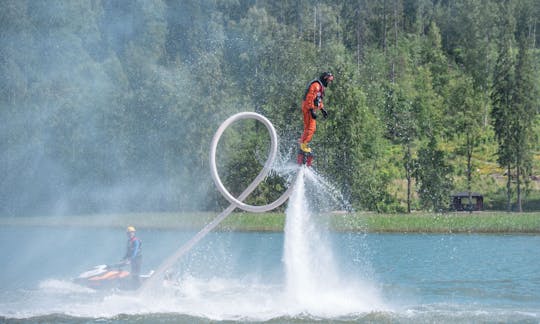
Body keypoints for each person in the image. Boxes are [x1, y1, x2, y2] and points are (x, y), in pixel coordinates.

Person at [299, 71, 334, 153]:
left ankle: (302, 143)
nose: (329, 83)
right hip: (308, 108)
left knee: (309, 128)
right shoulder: (316, 86)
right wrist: (311, 110)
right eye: (328, 81)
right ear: (325, 79)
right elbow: (310, 98)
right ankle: (303, 145)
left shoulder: (320, 87)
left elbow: (318, 100)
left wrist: (322, 109)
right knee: (310, 128)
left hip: (310, 107)